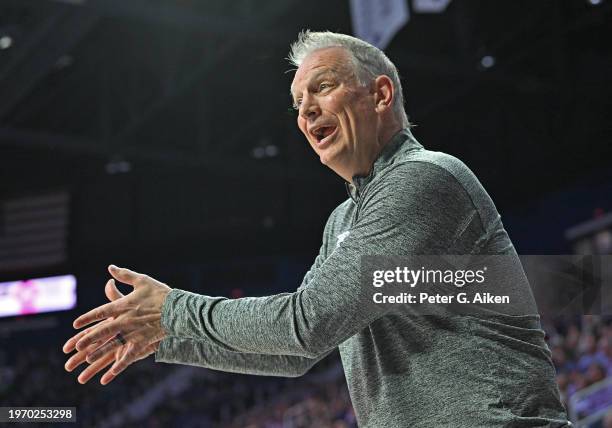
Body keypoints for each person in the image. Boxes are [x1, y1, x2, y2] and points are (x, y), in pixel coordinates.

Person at [63, 31, 571, 427]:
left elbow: (306, 325)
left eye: (322, 87)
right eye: (297, 102)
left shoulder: (425, 179)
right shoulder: (345, 220)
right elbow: (296, 355)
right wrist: (166, 335)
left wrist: (176, 309)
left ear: (379, 94)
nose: (305, 111)